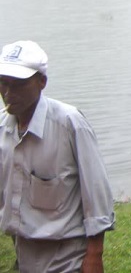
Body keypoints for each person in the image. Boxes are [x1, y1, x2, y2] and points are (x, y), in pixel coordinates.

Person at [0, 40, 115, 273]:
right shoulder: (3, 128)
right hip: (23, 251)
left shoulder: (69, 124)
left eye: (19, 85)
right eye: (3, 83)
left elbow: (96, 191)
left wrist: (94, 255)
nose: (9, 93)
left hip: (66, 256)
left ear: (42, 82)